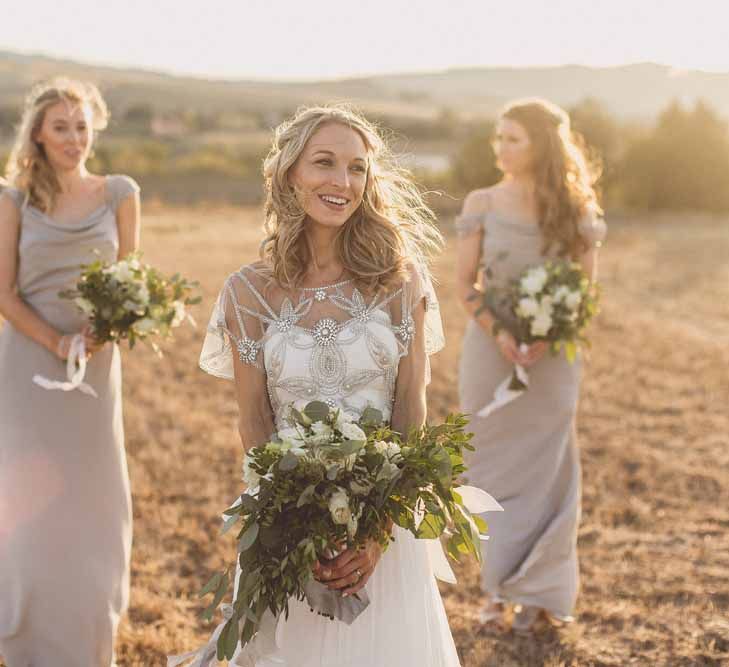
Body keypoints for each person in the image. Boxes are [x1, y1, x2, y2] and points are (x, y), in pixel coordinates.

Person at [197, 105, 460, 666]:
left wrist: (378, 529)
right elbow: (255, 423)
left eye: (358, 168)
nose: (343, 182)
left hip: (383, 527)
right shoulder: (247, 293)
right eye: (325, 163)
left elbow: (411, 408)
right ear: (289, 173)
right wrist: (298, 522)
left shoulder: (399, 277)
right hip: (290, 529)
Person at [0, 78, 141, 666]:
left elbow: (135, 283)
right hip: (28, 364)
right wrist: (55, 340)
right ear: (38, 131)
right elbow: (2, 292)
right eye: (61, 127)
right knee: (24, 501)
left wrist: (100, 334)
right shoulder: (11, 200)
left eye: (82, 126)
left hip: (95, 365)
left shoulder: (120, 193)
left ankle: (86, 634)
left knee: (90, 502)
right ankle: (24, 630)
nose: (74, 138)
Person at [455, 98, 606, 633]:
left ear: (541, 143)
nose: (500, 148)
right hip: (489, 357)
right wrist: (502, 336)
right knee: (491, 471)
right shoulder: (483, 201)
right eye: (498, 137)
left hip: (553, 361)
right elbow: (464, 286)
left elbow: (584, 294)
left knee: (548, 473)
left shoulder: (576, 211)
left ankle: (540, 595)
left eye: (512, 138)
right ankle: (496, 594)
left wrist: (550, 332)